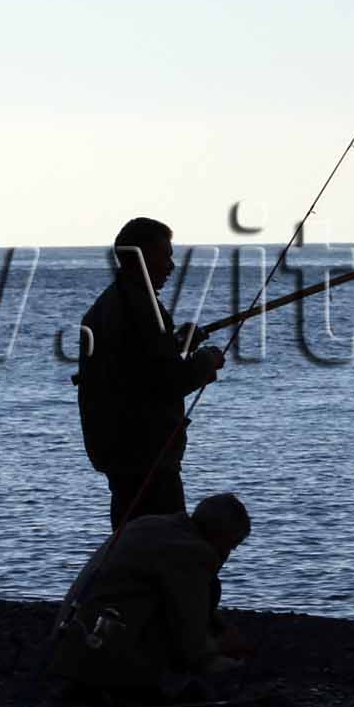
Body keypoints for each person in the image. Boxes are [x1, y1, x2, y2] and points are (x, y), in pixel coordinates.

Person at [74, 217, 225, 529]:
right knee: (161, 546)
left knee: (132, 543)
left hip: (122, 455)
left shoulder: (112, 304)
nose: (171, 265)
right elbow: (167, 382)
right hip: (146, 459)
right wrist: (206, 361)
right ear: (141, 257)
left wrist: (178, 343)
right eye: (165, 255)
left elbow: (137, 363)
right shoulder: (140, 308)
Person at [50, 492, 252, 696]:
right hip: (99, 659)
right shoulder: (193, 553)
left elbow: (184, 599)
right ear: (220, 536)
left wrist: (219, 626)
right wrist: (219, 646)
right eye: (232, 545)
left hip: (69, 647)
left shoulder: (153, 525)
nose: (228, 554)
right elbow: (191, 643)